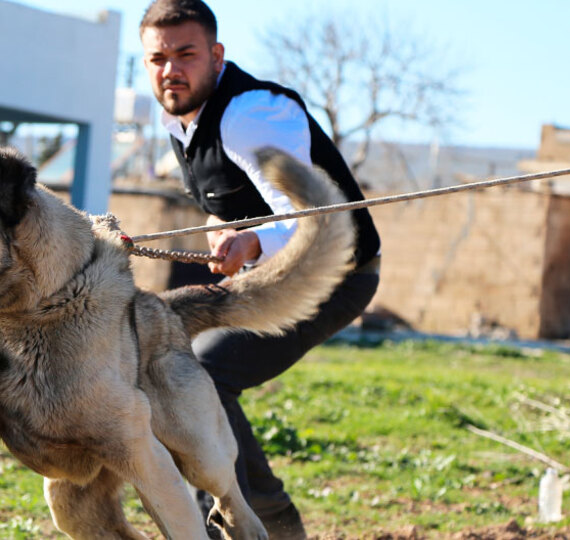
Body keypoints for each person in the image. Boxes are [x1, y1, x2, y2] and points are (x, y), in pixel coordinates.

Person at [139, 1, 382, 538]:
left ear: (217, 54)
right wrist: (222, 225)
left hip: (335, 272)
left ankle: (260, 524)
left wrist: (249, 242)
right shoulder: (176, 117)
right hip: (264, 276)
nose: (170, 70)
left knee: (199, 371)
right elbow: (223, 199)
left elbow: (311, 220)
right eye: (157, 58)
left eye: (186, 54)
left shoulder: (253, 113)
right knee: (169, 364)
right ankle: (246, 519)